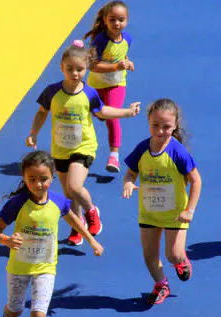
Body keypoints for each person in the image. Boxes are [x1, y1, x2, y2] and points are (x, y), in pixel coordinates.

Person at [26, 40, 140, 246]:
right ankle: (77, 228)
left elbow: (102, 111)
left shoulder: (89, 93)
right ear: (62, 67)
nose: (75, 73)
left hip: (83, 146)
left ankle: (91, 211)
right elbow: (42, 113)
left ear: (86, 69)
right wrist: (34, 132)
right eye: (70, 69)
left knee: (75, 186)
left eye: (80, 69)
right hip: (60, 150)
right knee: (69, 194)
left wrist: (127, 112)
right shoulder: (51, 92)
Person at [0, 150, 103, 317]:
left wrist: (91, 241)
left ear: (52, 177)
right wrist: (7, 240)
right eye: (31, 179)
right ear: (24, 178)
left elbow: (75, 221)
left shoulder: (58, 202)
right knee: (16, 309)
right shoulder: (17, 203)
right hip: (19, 267)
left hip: (46, 267)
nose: (38, 184)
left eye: (43, 179)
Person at [122, 98, 202, 305]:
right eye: (155, 125)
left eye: (166, 127)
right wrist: (128, 184)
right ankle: (161, 284)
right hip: (149, 212)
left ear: (175, 126)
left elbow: (196, 181)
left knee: (173, 255)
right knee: (149, 255)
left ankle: (181, 261)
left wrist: (189, 211)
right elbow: (130, 173)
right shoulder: (142, 149)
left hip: (175, 214)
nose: (160, 131)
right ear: (148, 122)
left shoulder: (178, 152)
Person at [84, 1, 133, 173]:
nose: (117, 24)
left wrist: (127, 62)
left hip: (116, 84)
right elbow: (92, 65)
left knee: (113, 117)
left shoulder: (127, 38)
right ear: (105, 20)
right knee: (95, 113)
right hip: (97, 85)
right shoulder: (100, 40)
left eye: (121, 20)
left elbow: (122, 53)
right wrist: (115, 67)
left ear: (127, 20)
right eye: (112, 20)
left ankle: (114, 156)